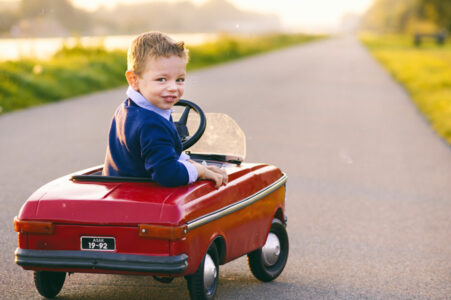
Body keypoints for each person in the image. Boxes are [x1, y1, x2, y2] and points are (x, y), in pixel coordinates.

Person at [102, 31, 228, 188]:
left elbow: (166, 154)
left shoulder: (129, 108)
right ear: (133, 80)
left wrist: (192, 164)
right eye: (161, 79)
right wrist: (199, 171)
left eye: (180, 79)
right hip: (142, 199)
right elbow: (168, 174)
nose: (173, 88)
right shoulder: (151, 124)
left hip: (118, 190)